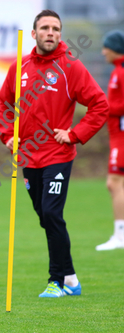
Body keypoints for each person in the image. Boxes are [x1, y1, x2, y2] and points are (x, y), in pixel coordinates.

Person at [0, 10, 109, 297]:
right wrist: (8, 135)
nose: (51, 32)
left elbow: (99, 105)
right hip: (28, 158)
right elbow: (4, 103)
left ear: (60, 34)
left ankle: (56, 281)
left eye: (55, 28)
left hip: (58, 155)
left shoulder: (69, 67)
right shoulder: (18, 68)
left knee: (51, 213)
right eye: (45, 28)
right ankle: (71, 276)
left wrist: (74, 134)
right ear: (33, 34)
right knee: (45, 217)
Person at [96, 30, 124, 251]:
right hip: (116, 135)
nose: (103, 51)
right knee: (115, 183)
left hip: (121, 136)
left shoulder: (122, 71)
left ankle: (120, 235)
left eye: (106, 46)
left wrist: (105, 107)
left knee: (114, 183)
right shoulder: (117, 70)